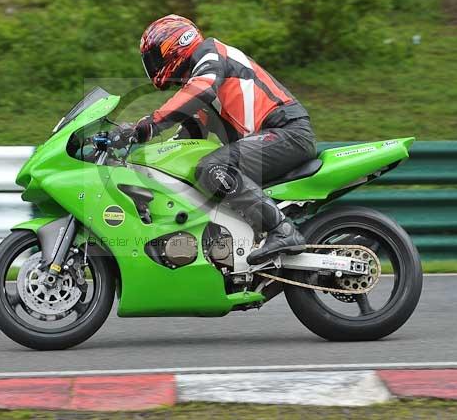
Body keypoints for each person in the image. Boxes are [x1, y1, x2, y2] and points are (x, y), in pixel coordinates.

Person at [129, 14, 316, 265]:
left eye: (154, 57)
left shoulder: (210, 54)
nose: (152, 65)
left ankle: (282, 231)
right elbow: (190, 133)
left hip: (287, 132)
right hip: (272, 136)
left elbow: (199, 91)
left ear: (173, 46)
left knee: (212, 167)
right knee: (190, 168)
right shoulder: (203, 82)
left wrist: (150, 124)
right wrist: (135, 146)